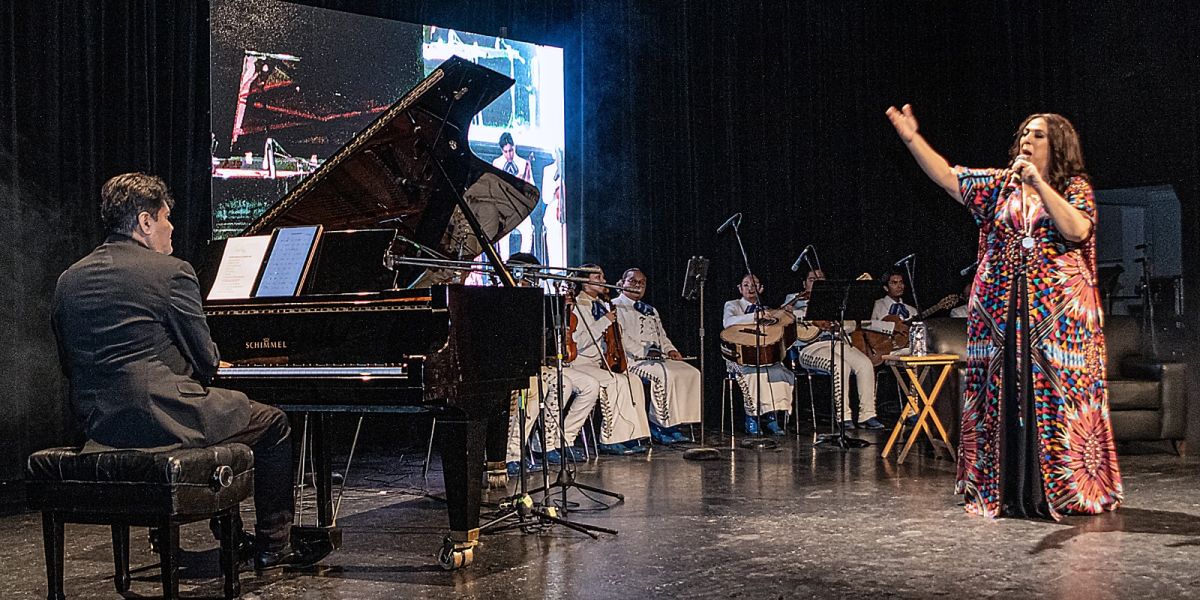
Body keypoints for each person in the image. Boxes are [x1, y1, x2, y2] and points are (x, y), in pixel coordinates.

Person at [50, 173, 328, 571]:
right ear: (145, 222)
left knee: (220, 411)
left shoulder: (68, 279)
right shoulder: (171, 272)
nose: (171, 228)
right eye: (166, 218)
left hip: (99, 426)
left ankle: (221, 535)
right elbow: (207, 361)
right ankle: (274, 544)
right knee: (273, 423)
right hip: (161, 421)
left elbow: (68, 363)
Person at [886, 104, 1122, 519]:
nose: (1027, 141)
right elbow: (946, 176)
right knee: (1002, 394)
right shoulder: (999, 187)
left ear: (1059, 145)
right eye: (1024, 134)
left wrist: (1039, 185)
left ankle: (1064, 491)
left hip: (1059, 321)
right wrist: (911, 138)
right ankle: (1004, 488)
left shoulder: (1073, 187)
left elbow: (1076, 230)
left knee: (1056, 399)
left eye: (1038, 135)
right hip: (1000, 313)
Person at [503, 253, 600, 476]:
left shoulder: (540, 299)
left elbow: (550, 342)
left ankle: (551, 442)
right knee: (546, 387)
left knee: (587, 385)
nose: (532, 279)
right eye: (528, 274)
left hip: (539, 364)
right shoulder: (505, 297)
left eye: (534, 275)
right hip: (516, 367)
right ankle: (512, 453)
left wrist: (562, 311)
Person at [783, 269, 884, 430]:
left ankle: (867, 415)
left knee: (865, 364)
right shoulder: (794, 300)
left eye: (821, 279)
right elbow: (785, 318)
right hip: (809, 349)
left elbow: (852, 325)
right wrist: (812, 318)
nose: (816, 283)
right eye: (811, 279)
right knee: (840, 365)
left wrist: (838, 325)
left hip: (838, 343)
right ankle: (844, 416)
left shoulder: (835, 300)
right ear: (804, 283)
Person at [613, 268, 702, 444]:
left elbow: (661, 335)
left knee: (691, 373)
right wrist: (645, 352)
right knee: (665, 376)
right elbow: (620, 337)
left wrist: (670, 350)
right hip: (633, 360)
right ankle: (659, 426)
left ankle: (676, 424)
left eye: (642, 282)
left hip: (658, 358)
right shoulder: (614, 306)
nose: (638, 285)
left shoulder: (651, 310)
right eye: (632, 281)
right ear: (622, 283)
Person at [571, 265, 653, 454]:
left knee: (633, 380)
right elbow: (580, 341)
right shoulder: (578, 306)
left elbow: (615, 336)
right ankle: (609, 439)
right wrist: (604, 321)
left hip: (598, 363)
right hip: (580, 364)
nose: (602, 280)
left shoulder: (601, 304)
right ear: (585, 282)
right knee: (615, 382)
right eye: (597, 277)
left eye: (602, 276)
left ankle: (632, 434)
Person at [721, 274, 795, 435]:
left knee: (779, 373)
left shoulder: (768, 310)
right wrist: (754, 316)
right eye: (746, 285)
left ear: (761, 288)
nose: (750, 288)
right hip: (739, 357)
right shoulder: (732, 305)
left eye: (754, 285)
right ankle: (752, 418)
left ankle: (771, 417)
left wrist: (786, 314)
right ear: (740, 288)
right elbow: (728, 322)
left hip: (764, 356)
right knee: (753, 376)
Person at [491, 132, 536, 260]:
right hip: (505, 207)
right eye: (506, 151)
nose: (509, 154)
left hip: (520, 207)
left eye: (511, 150)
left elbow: (532, 186)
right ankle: (505, 265)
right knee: (502, 235)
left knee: (528, 231)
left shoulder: (523, 163)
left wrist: (525, 181)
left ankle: (523, 263)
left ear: (514, 147)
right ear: (501, 150)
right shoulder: (497, 163)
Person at [541, 148, 568, 271]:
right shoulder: (548, 170)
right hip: (553, 211)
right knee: (555, 250)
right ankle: (555, 275)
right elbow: (546, 198)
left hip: (567, 210)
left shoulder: (570, 169)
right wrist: (555, 183)